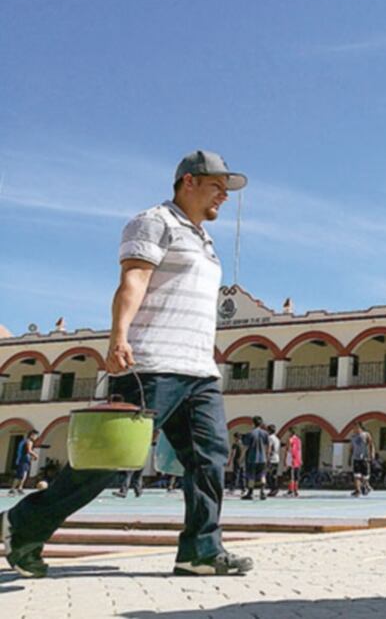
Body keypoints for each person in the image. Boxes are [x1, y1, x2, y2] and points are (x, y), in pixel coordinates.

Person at [1, 150, 253, 579]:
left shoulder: (205, 242)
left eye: (226, 189)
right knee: (112, 460)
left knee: (209, 459)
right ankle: (23, 524)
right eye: (217, 185)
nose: (224, 197)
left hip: (200, 371)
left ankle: (200, 551)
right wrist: (118, 336)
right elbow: (133, 279)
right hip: (151, 364)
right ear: (188, 182)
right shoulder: (154, 221)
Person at [241, 417, 269, 501]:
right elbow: (267, 446)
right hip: (262, 458)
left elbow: (245, 447)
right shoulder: (265, 433)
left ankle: (250, 493)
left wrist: (241, 458)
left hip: (252, 458)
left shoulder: (250, 433)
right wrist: (267, 456)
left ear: (253, 423)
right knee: (262, 475)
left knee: (251, 476)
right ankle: (262, 492)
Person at [8, 430, 39, 496]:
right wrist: (35, 455)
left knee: (24, 475)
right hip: (23, 460)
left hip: (24, 460)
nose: (36, 437)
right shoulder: (29, 441)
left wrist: (31, 458)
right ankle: (12, 489)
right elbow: (29, 450)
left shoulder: (24, 441)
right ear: (32, 435)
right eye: (36, 435)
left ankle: (20, 488)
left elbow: (25, 452)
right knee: (20, 475)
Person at [349, 423, 374, 497]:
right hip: (356, 458)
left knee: (365, 476)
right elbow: (351, 448)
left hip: (364, 458)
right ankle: (358, 490)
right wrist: (349, 458)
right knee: (356, 475)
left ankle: (366, 485)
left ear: (359, 427)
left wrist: (372, 453)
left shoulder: (366, 434)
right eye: (353, 428)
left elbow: (371, 444)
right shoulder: (353, 437)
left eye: (355, 427)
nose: (354, 429)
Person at [285, 429, 302, 497]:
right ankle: (296, 490)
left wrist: (288, 459)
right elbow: (299, 450)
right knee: (296, 476)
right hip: (298, 459)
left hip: (292, 459)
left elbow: (290, 449)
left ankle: (291, 490)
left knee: (291, 476)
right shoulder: (299, 440)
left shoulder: (290, 440)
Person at [266, 424, 281, 497]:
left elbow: (269, 447)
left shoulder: (270, 438)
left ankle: (273, 489)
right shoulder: (277, 438)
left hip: (271, 458)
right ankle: (275, 488)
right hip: (277, 458)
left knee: (269, 475)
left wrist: (267, 458)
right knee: (274, 475)